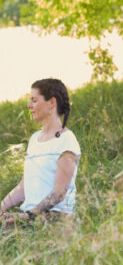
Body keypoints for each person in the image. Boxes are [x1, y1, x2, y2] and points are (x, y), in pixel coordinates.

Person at [0, 78, 81, 224]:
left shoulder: (66, 140)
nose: (29, 105)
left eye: (34, 100)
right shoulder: (34, 139)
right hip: (30, 216)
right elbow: (23, 187)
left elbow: (59, 193)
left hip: (55, 219)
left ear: (51, 103)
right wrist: (1, 208)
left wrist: (29, 216)